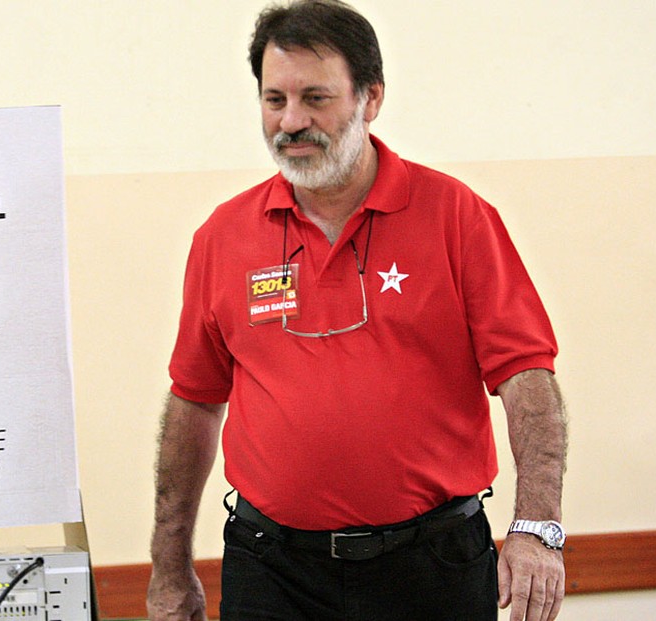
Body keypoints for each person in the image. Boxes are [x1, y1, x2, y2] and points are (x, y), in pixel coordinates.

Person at [147, 1, 567, 620]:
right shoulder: (223, 237)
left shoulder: (456, 217)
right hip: (272, 573)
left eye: (315, 98)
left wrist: (538, 527)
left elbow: (528, 377)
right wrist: (168, 565)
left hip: (433, 567)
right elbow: (194, 400)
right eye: (274, 100)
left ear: (370, 98)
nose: (291, 122)